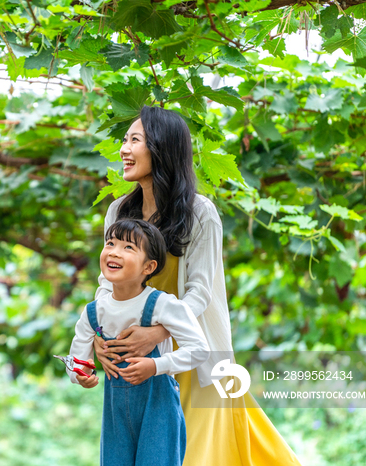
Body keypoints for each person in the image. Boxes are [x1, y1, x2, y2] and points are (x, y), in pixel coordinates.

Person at [93, 105, 302, 465]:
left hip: (193, 358)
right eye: (124, 140)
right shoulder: (118, 213)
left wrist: (157, 333)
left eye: (135, 140)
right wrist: (100, 332)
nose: (124, 149)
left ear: (161, 147)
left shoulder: (200, 212)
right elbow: (105, 285)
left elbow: (200, 291)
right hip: (140, 365)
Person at [67, 218, 209, 466]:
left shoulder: (162, 304)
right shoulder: (93, 312)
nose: (114, 251)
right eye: (110, 243)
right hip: (115, 415)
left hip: (159, 410)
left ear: (149, 267)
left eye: (128, 247)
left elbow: (200, 350)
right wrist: (80, 374)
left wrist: (155, 366)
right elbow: (76, 359)